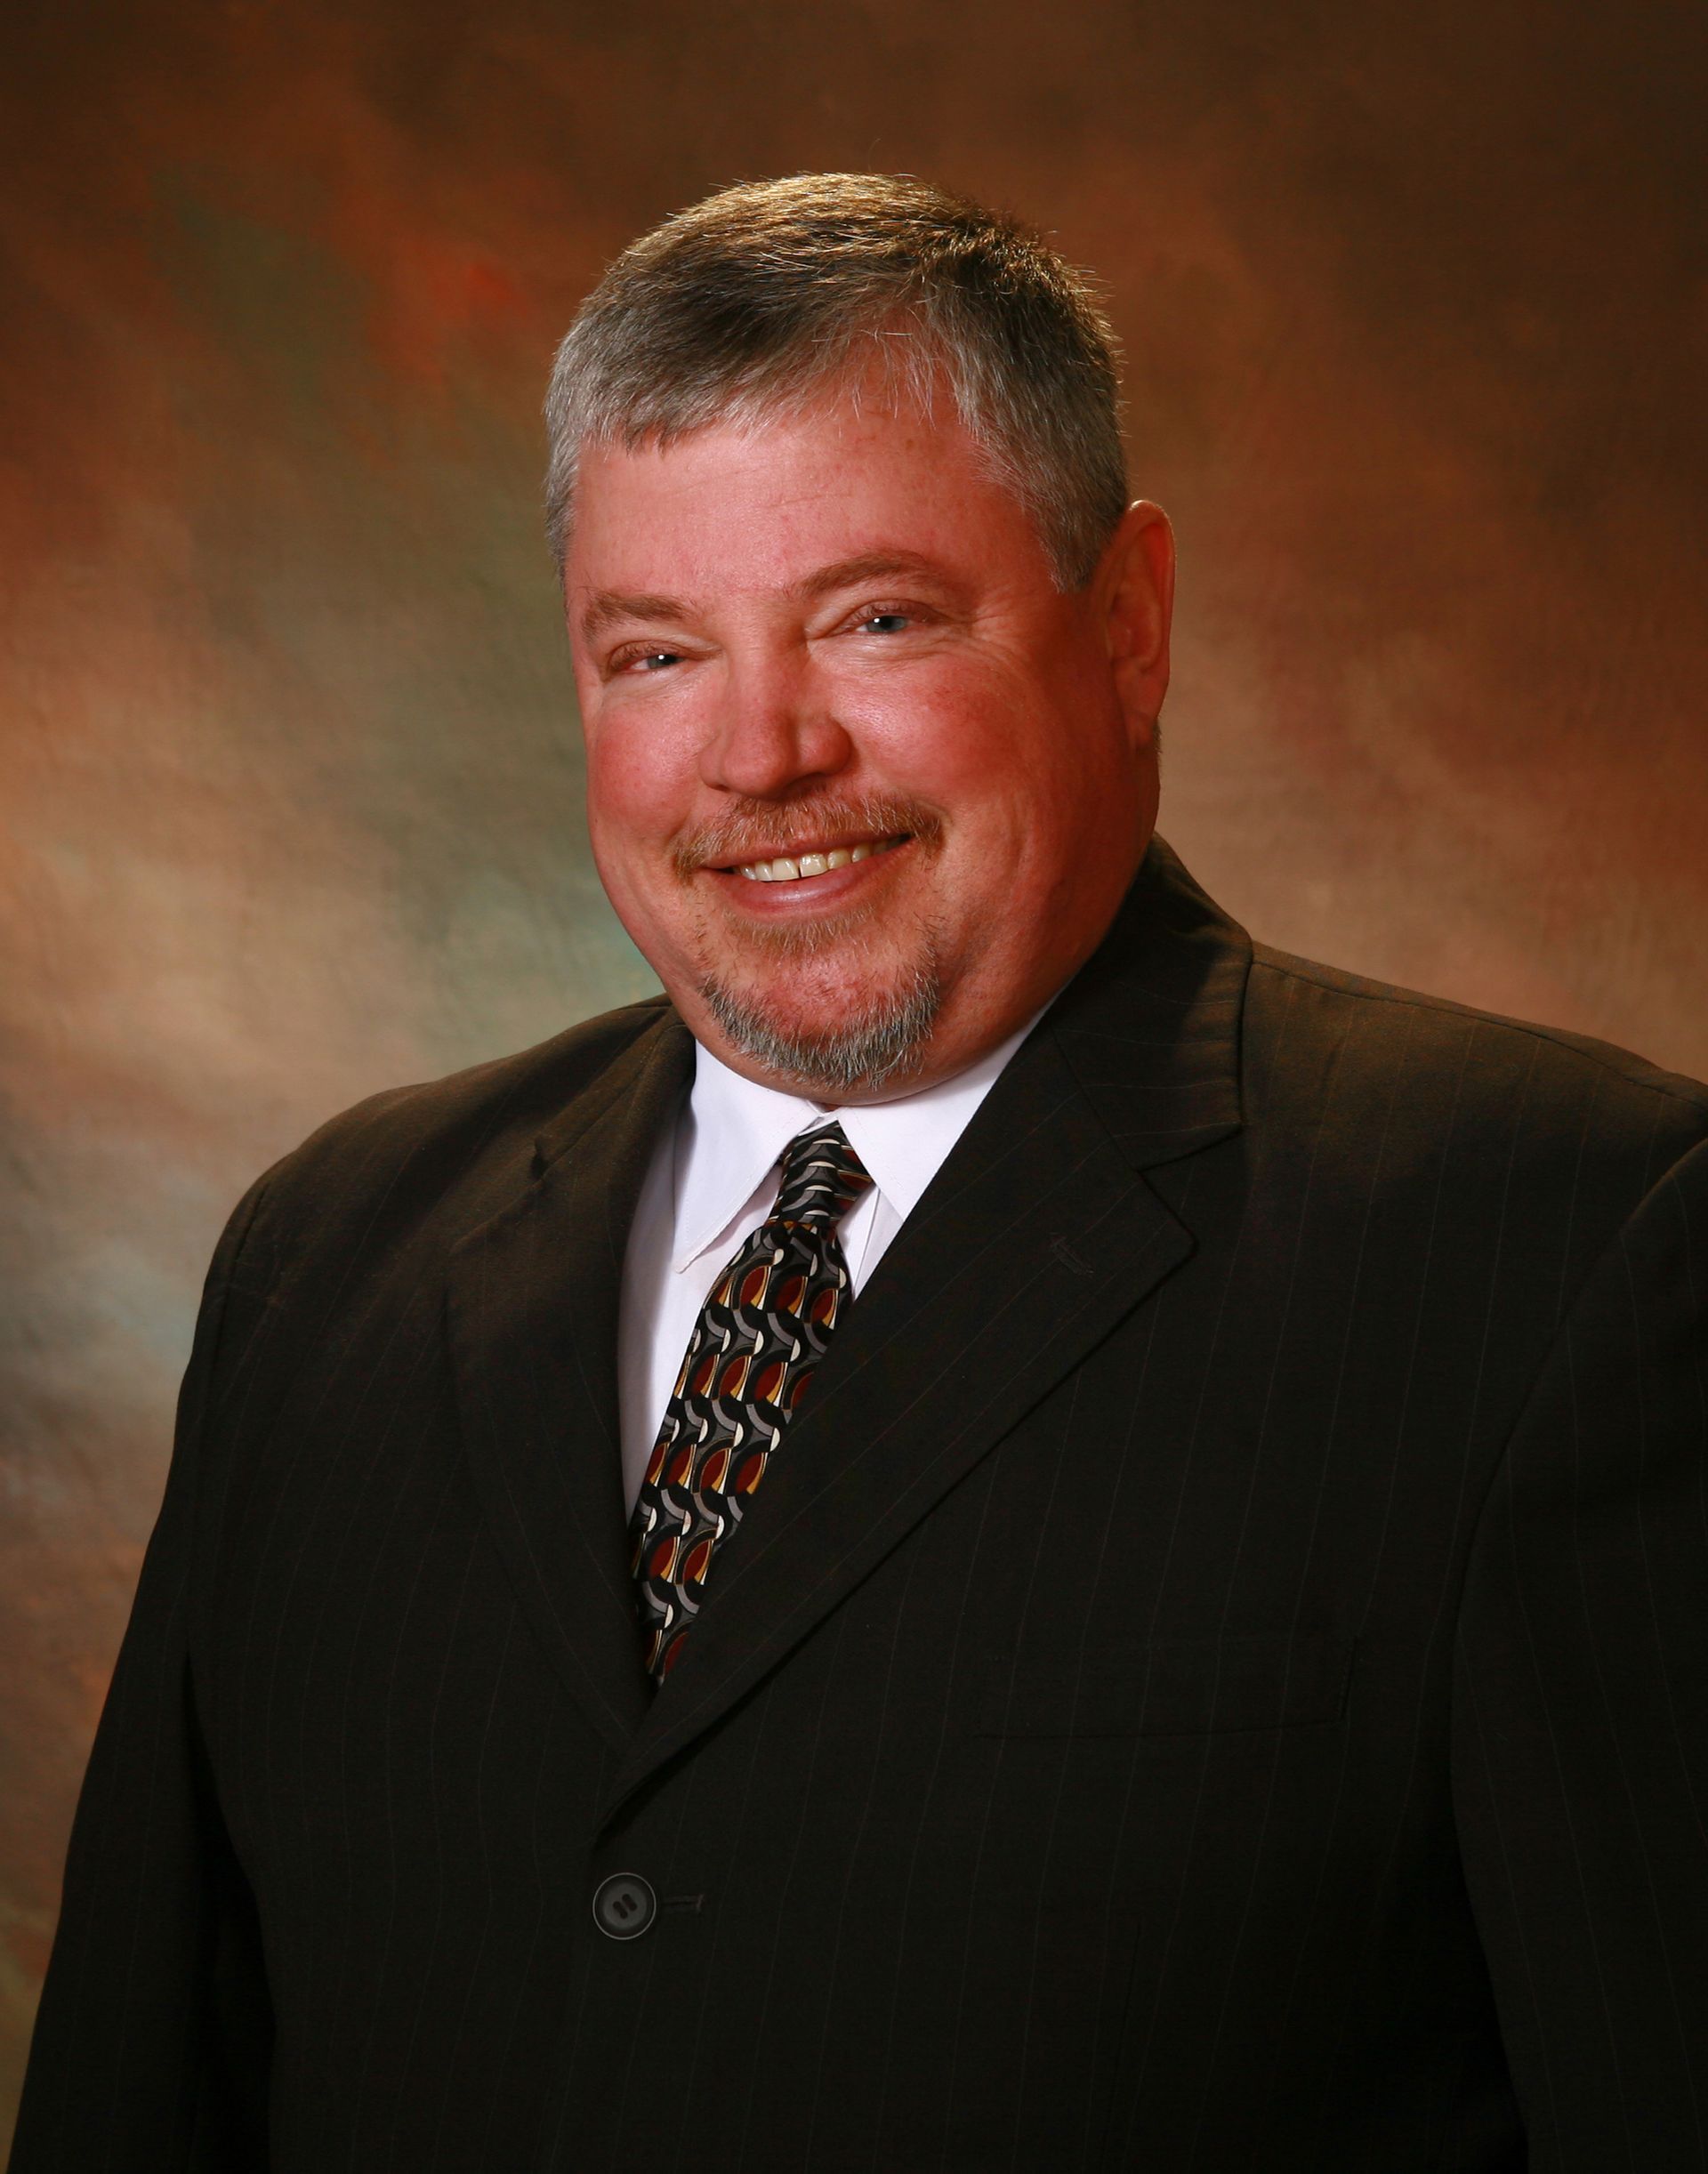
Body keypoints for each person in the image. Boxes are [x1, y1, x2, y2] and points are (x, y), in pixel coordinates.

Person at [11, 173, 1707, 2174]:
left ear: (1133, 624)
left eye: (876, 618)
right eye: (655, 653)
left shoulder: (1567, 1251)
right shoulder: (331, 1254)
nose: (758, 754)